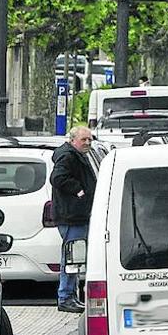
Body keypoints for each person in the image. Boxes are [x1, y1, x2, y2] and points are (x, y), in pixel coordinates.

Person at [50, 126, 97, 313]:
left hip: (76, 215)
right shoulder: (68, 156)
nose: (87, 143)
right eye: (83, 139)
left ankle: (71, 295)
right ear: (73, 140)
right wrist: (79, 190)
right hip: (72, 216)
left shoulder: (74, 155)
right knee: (71, 257)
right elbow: (58, 178)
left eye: (89, 140)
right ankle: (66, 296)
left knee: (74, 258)